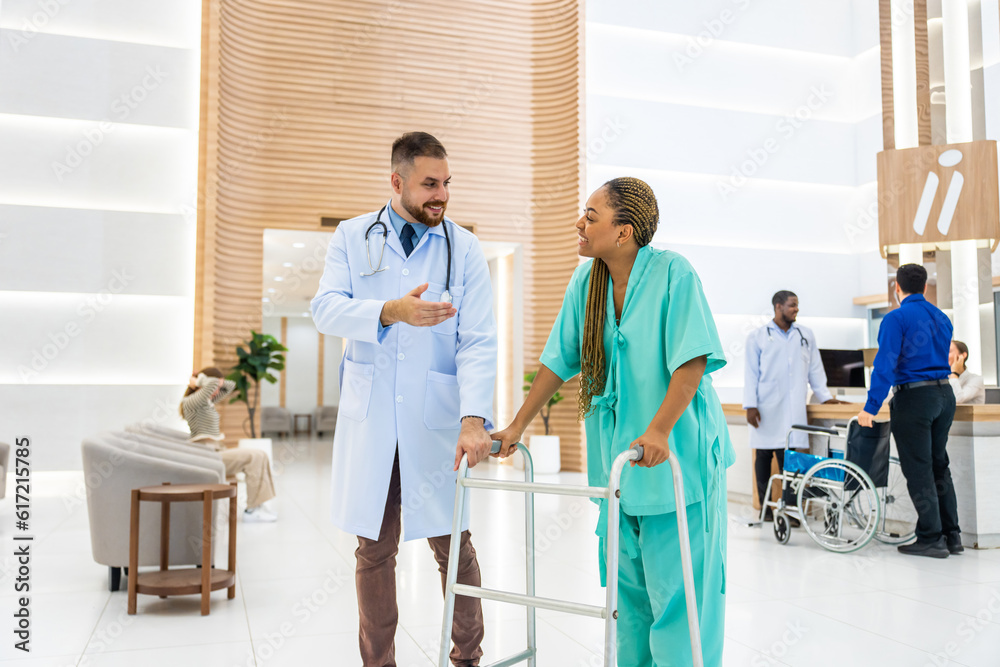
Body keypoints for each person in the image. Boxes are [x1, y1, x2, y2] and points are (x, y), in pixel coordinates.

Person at [492, 177, 733, 667]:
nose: (579, 223)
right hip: (622, 468)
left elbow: (692, 362)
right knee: (630, 599)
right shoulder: (587, 282)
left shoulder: (673, 274)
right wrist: (516, 426)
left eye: (591, 216)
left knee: (679, 592)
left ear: (623, 232)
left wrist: (660, 429)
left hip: (677, 456)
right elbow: (559, 361)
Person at [311, 132, 496, 667]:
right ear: (397, 181)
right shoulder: (352, 235)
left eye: (446, 184)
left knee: (453, 549)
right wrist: (389, 311)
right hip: (372, 423)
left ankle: (467, 659)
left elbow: (479, 340)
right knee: (374, 552)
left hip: (436, 425)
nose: (441, 196)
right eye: (429, 184)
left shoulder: (463, 247)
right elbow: (325, 309)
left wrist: (473, 420)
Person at [857, 264, 961, 558]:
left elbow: (885, 364)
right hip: (944, 394)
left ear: (897, 289)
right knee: (939, 465)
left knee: (918, 467)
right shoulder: (942, 318)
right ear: (926, 287)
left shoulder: (895, 318)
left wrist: (870, 407)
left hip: (915, 399)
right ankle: (952, 536)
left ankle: (930, 538)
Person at [743, 291, 843, 520]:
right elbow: (750, 373)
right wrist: (750, 405)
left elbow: (815, 370)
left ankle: (789, 510)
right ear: (778, 307)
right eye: (792, 306)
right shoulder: (757, 337)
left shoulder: (805, 335)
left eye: (796, 305)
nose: (796, 309)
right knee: (764, 456)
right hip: (765, 407)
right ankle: (766, 510)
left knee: (790, 459)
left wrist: (825, 397)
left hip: (793, 407)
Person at [180, 367, 278, 522]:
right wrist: (199, 380)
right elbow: (212, 385)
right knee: (253, 456)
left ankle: (257, 506)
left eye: (218, 387)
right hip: (207, 454)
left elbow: (231, 385)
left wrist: (209, 381)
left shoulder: (207, 401)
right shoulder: (192, 402)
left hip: (217, 449)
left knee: (261, 454)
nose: (217, 390)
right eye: (215, 386)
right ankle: (252, 510)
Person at [949, 340, 985, 404]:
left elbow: (957, 399)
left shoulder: (976, 380)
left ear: (962, 356)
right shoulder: (943, 379)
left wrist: (954, 373)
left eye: (948, 351)